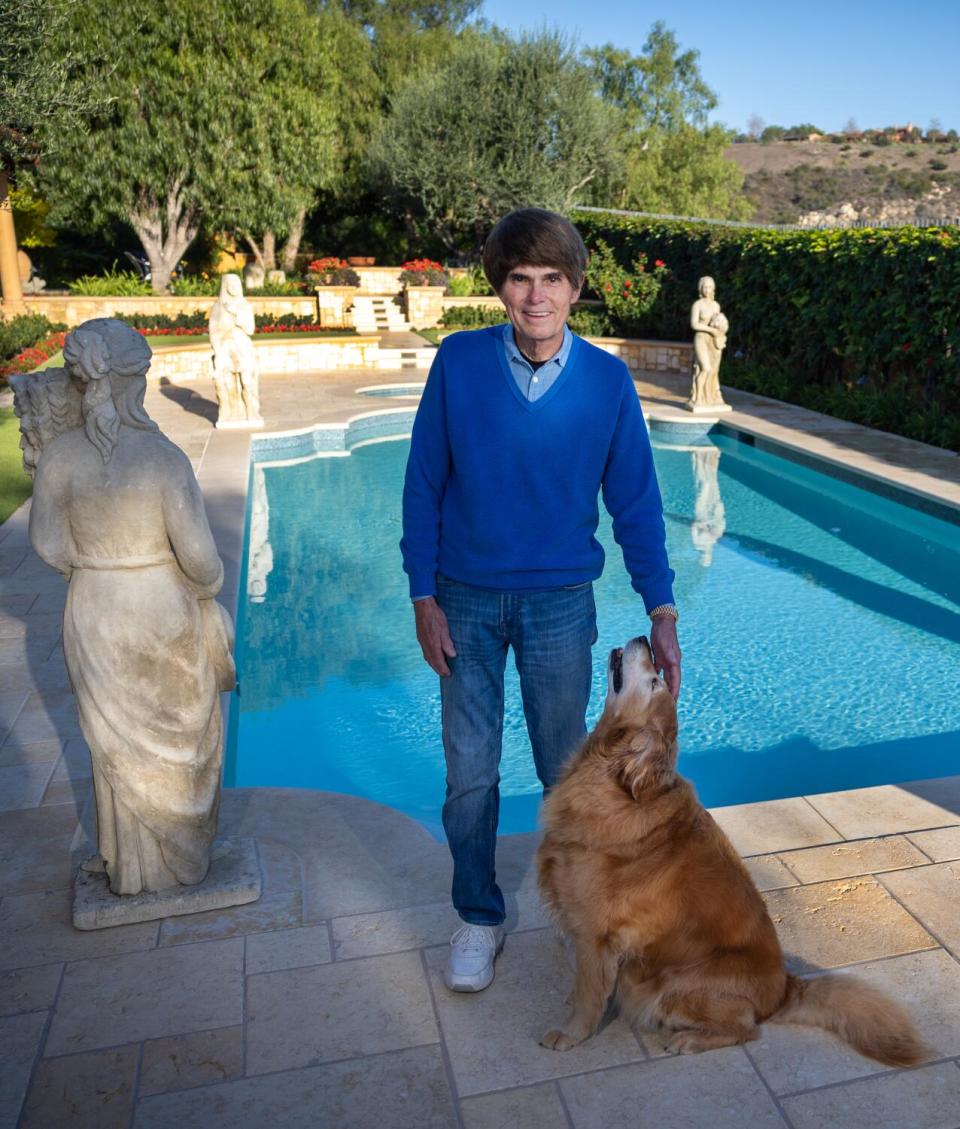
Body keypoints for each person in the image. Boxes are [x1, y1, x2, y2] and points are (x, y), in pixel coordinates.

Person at [400, 209, 681, 992]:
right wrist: (423, 594)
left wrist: (661, 609)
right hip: (465, 602)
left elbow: (636, 502)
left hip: (560, 605)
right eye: (520, 278)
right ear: (500, 287)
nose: (535, 295)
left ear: (574, 287)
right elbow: (423, 485)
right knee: (469, 773)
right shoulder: (457, 364)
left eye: (551, 278)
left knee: (572, 774)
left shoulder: (607, 381)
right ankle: (478, 917)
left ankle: (581, 912)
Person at [28, 318, 235, 896]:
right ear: (131, 382)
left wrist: (95, 568)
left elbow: (46, 543)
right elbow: (201, 562)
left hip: (93, 608)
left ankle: (130, 865)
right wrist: (203, 584)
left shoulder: (62, 458)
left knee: (112, 743)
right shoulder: (162, 460)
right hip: (158, 609)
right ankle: (181, 863)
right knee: (181, 742)